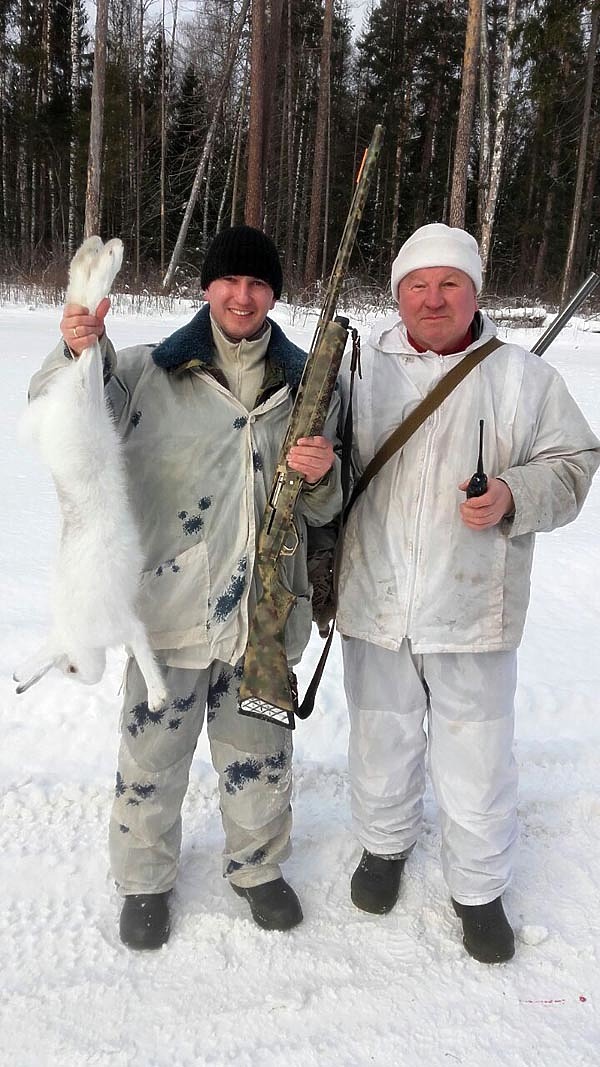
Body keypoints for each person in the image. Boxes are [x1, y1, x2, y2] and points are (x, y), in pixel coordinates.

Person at [30, 225, 341, 949]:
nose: (242, 295)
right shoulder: (146, 370)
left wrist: (324, 474)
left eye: (258, 283)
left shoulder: (308, 386)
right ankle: (143, 879)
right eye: (229, 281)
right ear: (206, 288)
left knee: (259, 755)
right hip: (169, 610)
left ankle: (257, 869)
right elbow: (62, 418)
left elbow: (328, 509)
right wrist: (79, 351)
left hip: (263, 617)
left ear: (273, 295)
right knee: (151, 757)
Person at [336, 223, 600, 963]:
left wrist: (515, 493)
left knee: (477, 754)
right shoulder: (359, 369)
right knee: (380, 734)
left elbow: (575, 460)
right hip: (377, 597)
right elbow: (322, 464)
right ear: (397, 294)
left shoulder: (522, 376)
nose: (433, 297)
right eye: (417, 284)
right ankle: (384, 848)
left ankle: (478, 888)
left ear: (475, 291)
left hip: (473, 603)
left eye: (450, 282)